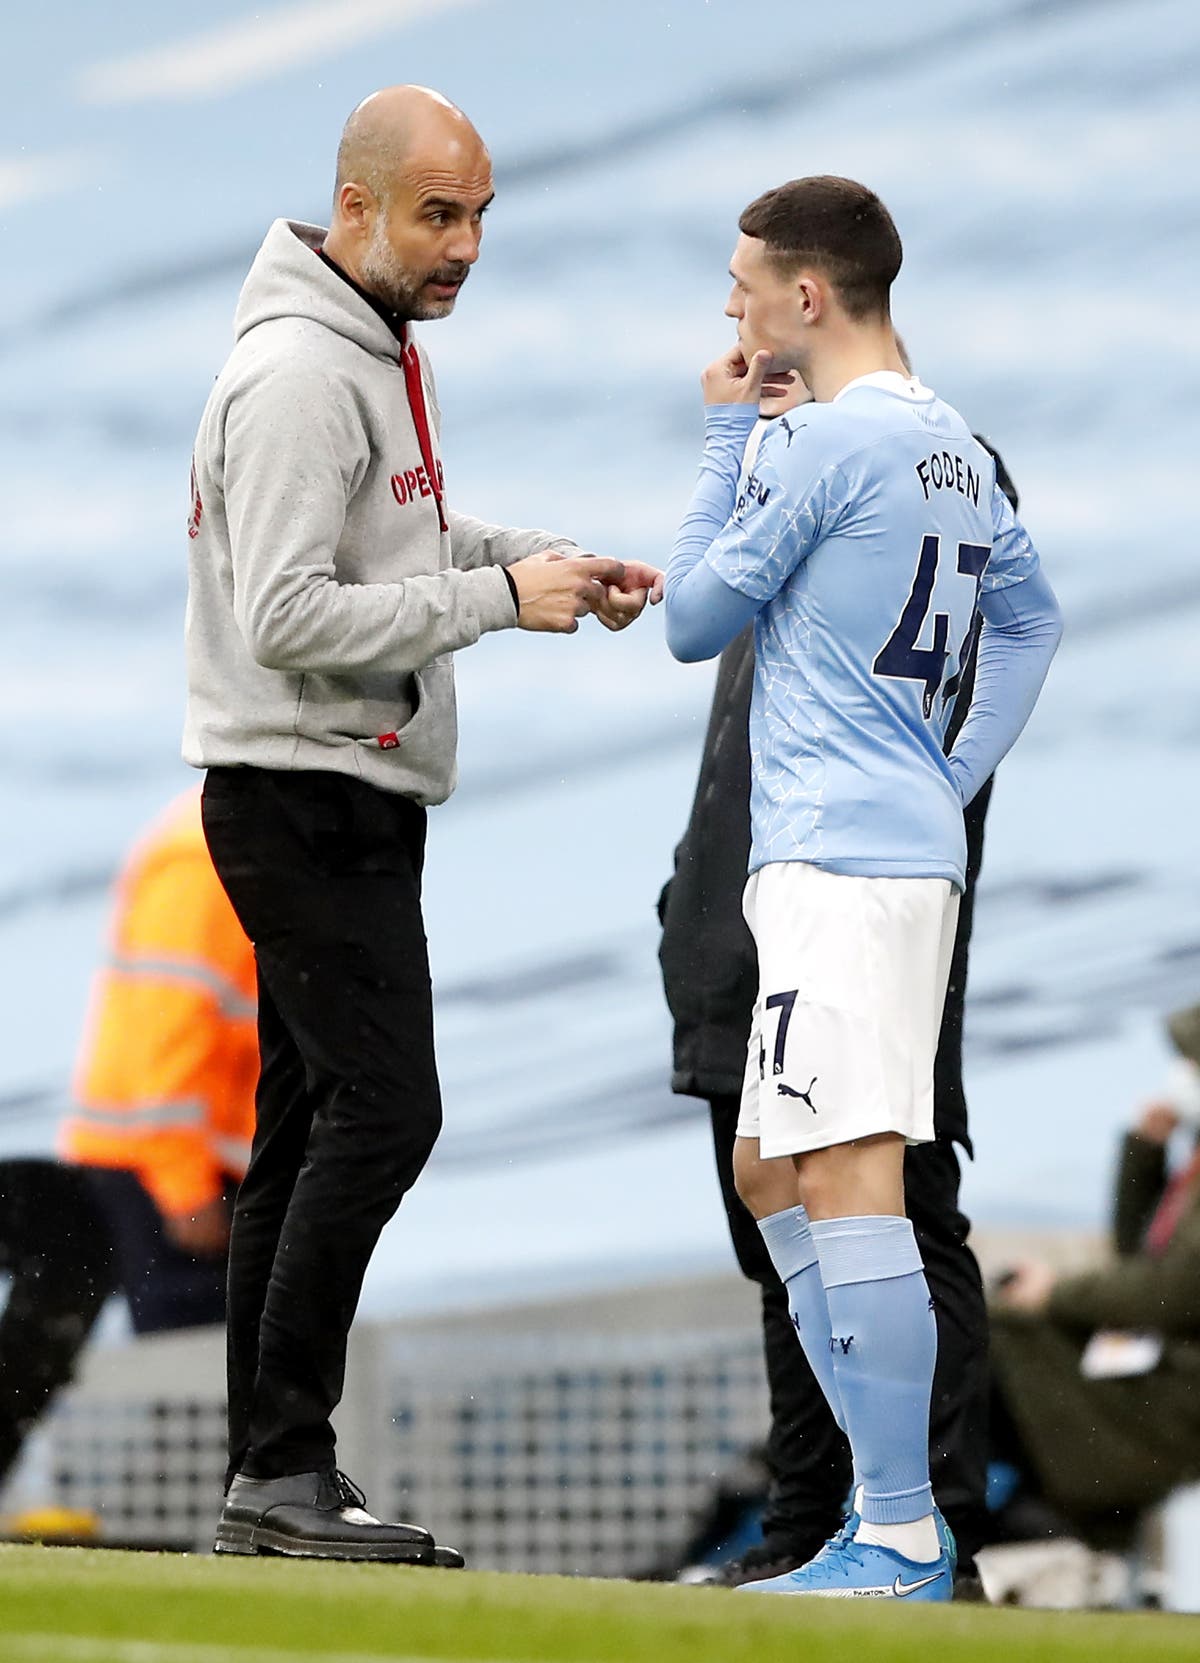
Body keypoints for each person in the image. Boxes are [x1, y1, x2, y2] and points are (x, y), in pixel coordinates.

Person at [186, 85, 662, 1564]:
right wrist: (493, 604)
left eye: (480, 216)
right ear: (356, 208)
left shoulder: (377, 349)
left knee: (308, 1124)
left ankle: (266, 1469)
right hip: (301, 788)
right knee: (388, 1109)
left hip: (338, 786)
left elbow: (386, 543)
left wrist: (533, 557)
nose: (465, 246)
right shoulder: (301, 375)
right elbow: (282, 612)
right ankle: (281, 1461)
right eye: (438, 215)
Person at [664, 175, 1061, 1599]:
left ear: (807, 298)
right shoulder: (952, 444)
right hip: (867, 847)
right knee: (772, 1165)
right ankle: (871, 1517)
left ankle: (895, 1527)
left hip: (845, 858)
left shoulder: (819, 445)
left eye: (745, 282)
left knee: (852, 1184)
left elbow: (696, 615)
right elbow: (1032, 620)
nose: (732, 306)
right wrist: (953, 768)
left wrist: (725, 437)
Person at [0, 789, 256, 1491]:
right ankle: (192, 1533)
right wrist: (186, 1187)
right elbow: (170, 1040)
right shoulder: (210, 862)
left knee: (191, 1380)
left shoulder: (221, 851)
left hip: (165, 1165)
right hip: (166, 1172)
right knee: (201, 1381)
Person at [988, 1001, 1200, 1545]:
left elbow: (1171, 1292)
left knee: (1007, 1329)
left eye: (1193, 1065)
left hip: (1182, 1401)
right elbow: (1139, 1254)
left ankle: (1034, 1513)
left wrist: (1055, 1294)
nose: (1179, 1079)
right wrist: (1145, 1154)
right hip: (1168, 1380)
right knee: (996, 1319)